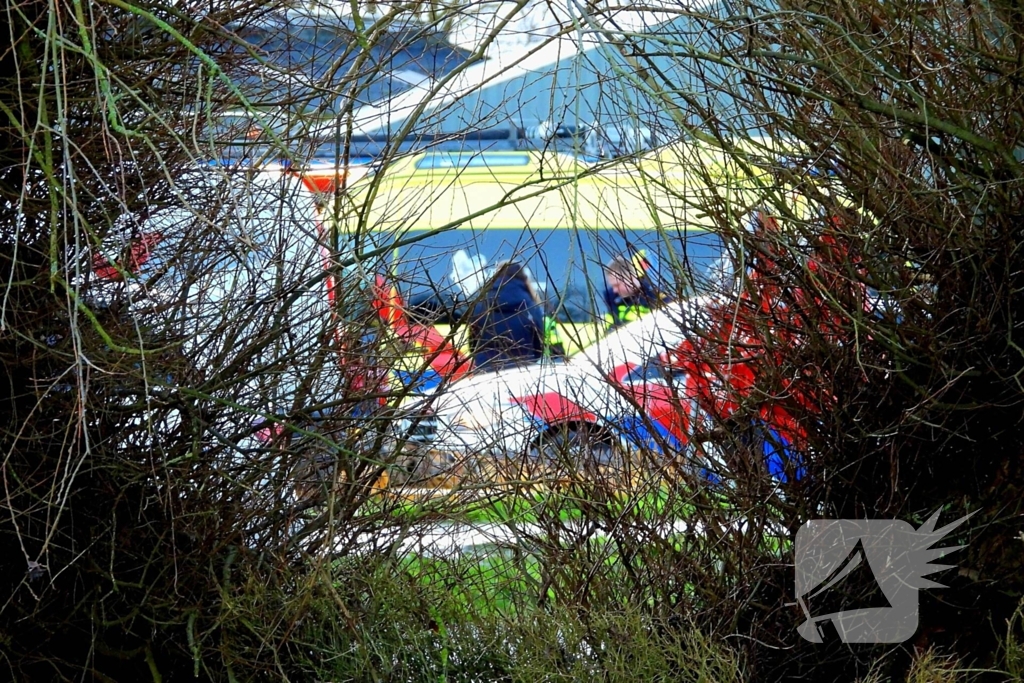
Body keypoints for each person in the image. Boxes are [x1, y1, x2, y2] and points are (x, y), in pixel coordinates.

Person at [468, 262, 547, 371]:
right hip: (524, 370)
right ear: (523, 276)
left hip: (486, 371)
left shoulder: (480, 304)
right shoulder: (530, 306)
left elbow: (473, 343)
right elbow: (539, 342)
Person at [602, 248, 666, 328]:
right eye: (612, 286)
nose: (614, 290)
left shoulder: (658, 299)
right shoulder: (613, 302)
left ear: (631, 277)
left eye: (617, 285)